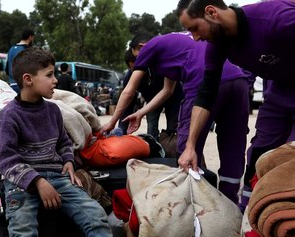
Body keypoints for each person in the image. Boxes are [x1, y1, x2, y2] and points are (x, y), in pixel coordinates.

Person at [101, 32, 250, 204]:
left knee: (187, 147)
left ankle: (197, 205)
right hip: (238, 81)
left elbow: (128, 91)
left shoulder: (150, 47)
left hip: (203, 81)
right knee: (233, 143)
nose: (142, 63)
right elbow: (167, 91)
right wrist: (141, 112)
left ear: (141, 47)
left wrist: (112, 122)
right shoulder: (175, 45)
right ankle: (229, 203)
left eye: (138, 58)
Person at [177, 0, 295, 211]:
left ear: (212, 12)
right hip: (281, 89)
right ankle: (247, 211)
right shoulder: (218, 45)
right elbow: (205, 94)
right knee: (259, 152)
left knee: (290, 157)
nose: (195, 38)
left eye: (195, 28)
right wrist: (190, 146)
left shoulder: (276, 19)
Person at [0, 47, 112, 237]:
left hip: (58, 177)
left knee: (96, 216)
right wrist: (38, 181)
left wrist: (68, 161)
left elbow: (64, 143)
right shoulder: (9, 116)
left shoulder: (53, 111)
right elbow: (6, 161)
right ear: (28, 79)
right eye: (49, 75)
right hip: (22, 183)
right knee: (22, 231)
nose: (55, 80)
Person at [118, 33, 184, 138]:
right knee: (151, 128)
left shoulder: (159, 66)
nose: (136, 72)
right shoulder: (130, 77)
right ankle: (154, 148)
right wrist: (121, 130)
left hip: (173, 98)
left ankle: (173, 148)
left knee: (173, 129)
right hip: (152, 102)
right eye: (132, 69)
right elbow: (128, 104)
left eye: (138, 68)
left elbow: (169, 90)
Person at [6, 29, 35, 93]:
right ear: (30, 37)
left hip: (12, 85)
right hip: (24, 86)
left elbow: (7, 69)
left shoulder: (11, 49)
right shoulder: (28, 50)